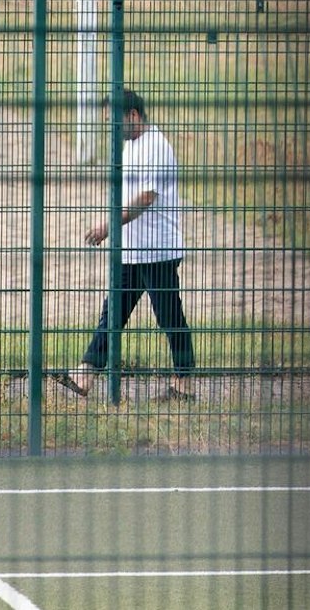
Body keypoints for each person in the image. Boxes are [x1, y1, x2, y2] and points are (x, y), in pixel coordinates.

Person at [57, 89, 196, 401]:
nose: (112, 129)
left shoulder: (155, 147)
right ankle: (85, 374)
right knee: (113, 313)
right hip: (130, 250)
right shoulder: (130, 146)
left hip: (156, 250)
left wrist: (108, 226)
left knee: (170, 317)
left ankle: (183, 386)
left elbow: (146, 197)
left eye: (115, 122)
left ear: (133, 116)